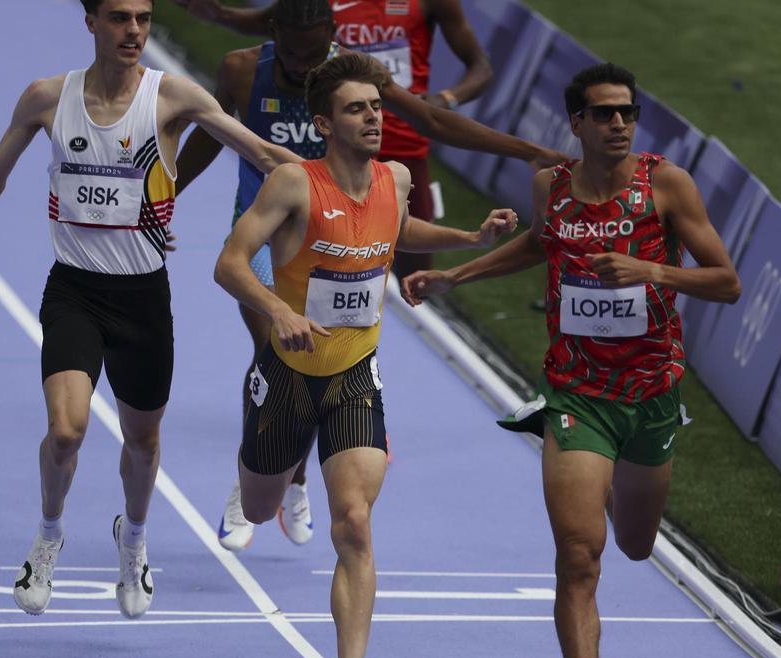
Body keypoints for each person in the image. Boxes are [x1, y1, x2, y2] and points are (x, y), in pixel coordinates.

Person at [0, 0, 299, 620]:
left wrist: (343, 189)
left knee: (144, 443)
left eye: (144, 19)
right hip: (74, 290)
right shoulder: (48, 98)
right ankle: (48, 535)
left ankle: (132, 541)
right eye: (120, 18)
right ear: (91, 23)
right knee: (66, 432)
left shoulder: (172, 96)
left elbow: (261, 154)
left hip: (144, 299)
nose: (134, 31)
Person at [402, 63, 741, 658]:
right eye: (604, 114)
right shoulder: (549, 188)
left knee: (637, 546)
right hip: (577, 393)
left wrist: (654, 274)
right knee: (581, 558)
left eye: (628, 113)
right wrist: (451, 276)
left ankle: (608, 474)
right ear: (577, 125)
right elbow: (537, 246)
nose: (619, 124)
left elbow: (727, 281)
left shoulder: (666, 186)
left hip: (651, 394)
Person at [175, 0, 561, 552]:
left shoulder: (356, 77)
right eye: (293, 54)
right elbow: (213, 136)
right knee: (272, 343)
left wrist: (528, 151)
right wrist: (164, 201)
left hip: (344, 232)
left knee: (332, 356)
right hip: (273, 227)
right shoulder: (241, 69)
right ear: (273, 33)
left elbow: (431, 121)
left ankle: (295, 477)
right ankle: (264, 472)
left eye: (317, 54)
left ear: (333, 35)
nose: (307, 68)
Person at [215, 52, 517, 658]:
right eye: (357, 109)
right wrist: (278, 311)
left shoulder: (397, 178)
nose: (375, 117)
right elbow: (229, 263)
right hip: (287, 374)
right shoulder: (293, 184)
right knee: (261, 509)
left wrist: (469, 237)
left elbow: (396, 230)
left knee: (353, 522)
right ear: (323, 123)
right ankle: (262, 482)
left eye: (377, 107)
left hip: (354, 375)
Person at [174, 0, 493, 282]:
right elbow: (271, 24)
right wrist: (220, 14)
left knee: (410, 270)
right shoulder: (269, 57)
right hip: (318, 169)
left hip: (398, 147)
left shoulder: (370, 66)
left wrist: (446, 99)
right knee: (280, 328)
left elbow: (442, 109)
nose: (300, 63)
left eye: (310, 55)